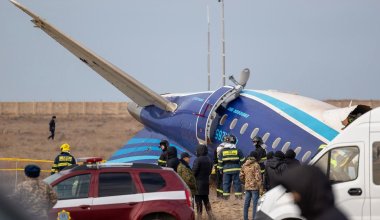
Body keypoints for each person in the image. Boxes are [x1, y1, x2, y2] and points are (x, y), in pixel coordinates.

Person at [277, 165, 348, 220]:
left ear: (306, 189)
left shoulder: (326, 217)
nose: (293, 197)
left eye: (295, 191)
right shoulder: (322, 213)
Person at [218, 134, 245, 200]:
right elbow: (243, 161)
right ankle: (238, 197)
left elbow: (220, 162)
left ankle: (226, 198)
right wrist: (242, 169)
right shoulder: (238, 150)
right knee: (237, 183)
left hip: (226, 170)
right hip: (236, 169)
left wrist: (220, 170)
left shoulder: (222, 151)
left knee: (226, 184)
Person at [240, 151, 263, 220]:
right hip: (255, 187)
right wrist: (261, 188)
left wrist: (246, 182)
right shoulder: (256, 165)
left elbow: (241, 176)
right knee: (255, 205)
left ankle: (245, 218)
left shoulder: (244, 164)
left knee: (246, 204)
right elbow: (258, 178)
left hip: (247, 187)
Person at [193, 144, 214, 220]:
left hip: (198, 183)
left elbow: (194, 172)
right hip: (206, 182)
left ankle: (199, 217)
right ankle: (211, 216)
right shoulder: (209, 160)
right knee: (206, 200)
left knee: (198, 201)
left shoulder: (198, 160)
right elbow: (210, 172)